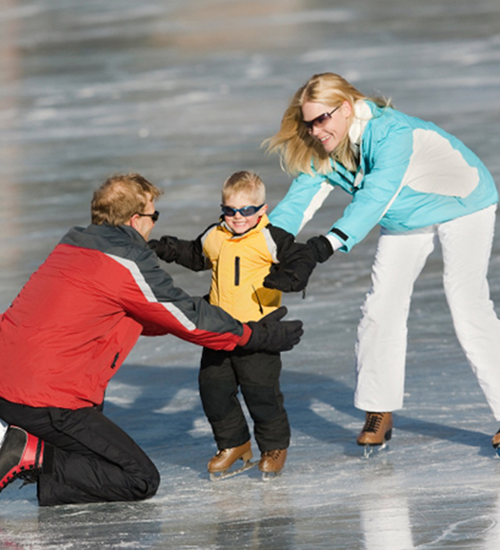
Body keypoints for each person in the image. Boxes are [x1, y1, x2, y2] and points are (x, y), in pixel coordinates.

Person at [0, 173, 304, 506]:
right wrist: (254, 334)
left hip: (9, 387)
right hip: (46, 400)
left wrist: (214, 311)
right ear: (135, 220)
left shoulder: (73, 244)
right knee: (139, 479)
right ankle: (28, 453)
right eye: (153, 216)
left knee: (90, 451)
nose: (154, 225)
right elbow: (186, 320)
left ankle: (24, 448)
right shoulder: (126, 261)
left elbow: (149, 313)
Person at [264, 72, 500, 452]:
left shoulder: (391, 133)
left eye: (322, 119)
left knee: (467, 302)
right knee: (380, 306)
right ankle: (378, 409)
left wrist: (323, 247)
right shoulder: (321, 145)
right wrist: (262, 246)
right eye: (308, 123)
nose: (315, 130)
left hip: (463, 203)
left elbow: (375, 196)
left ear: (344, 108)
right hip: (405, 215)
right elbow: (297, 202)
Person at [149, 171, 315, 479]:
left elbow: (300, 258)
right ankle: (234, 443)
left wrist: (291, 277)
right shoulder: (216, 235)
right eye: (230, 210)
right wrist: (162, 247)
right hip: (219, 329)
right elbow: (194, 254)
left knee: (261, 392)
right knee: (213, 389)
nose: (237, 217)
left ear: (261, 210)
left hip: (258, 333)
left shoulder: (270, 238)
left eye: (246, 210)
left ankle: (274, 447)